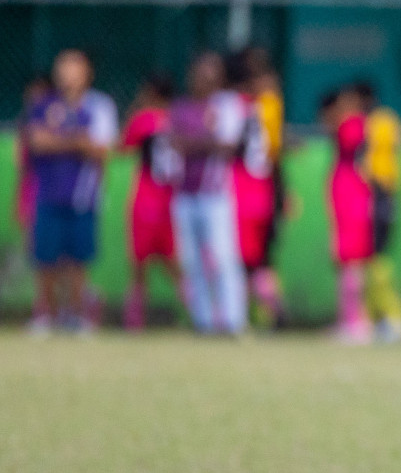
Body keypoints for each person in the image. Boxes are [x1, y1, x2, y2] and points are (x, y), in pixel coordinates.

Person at [23, 50, 117, 335]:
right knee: (46, 258)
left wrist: (63, 139)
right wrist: (77, 140)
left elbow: (101, 149)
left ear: (87, 72)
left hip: (83, 196)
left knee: (78, 258)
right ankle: (46, 315)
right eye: (62, 68)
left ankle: (77, 315)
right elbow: (37, 142)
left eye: (73, 68)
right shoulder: (43, 105)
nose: (67, 74)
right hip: (48, 193)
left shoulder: (99, 106)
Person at [168, 51, 249, 336]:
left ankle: (232, 320)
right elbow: (173, 145)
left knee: (224, 257)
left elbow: (228, 146)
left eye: (211, 71)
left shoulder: (227, 105)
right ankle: (203, 320)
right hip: (184, 193)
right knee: (192, 261)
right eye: (200, 71)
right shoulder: (181, 107)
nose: (206, 77)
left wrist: (192, 142)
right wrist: (205, 140)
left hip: (215, 194)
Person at [229, 48, 287, 328]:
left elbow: (271, 152)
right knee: (259, 259)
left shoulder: (233, 105)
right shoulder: (269, 106)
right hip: (261, 191)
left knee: (244, 260)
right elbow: (274, 153)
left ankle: (249, 315)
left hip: (242, 191)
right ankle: (268, 310)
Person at [120, 74, 181, 330]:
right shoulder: (180, 118)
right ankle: (198, 311)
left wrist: (135, 108)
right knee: (174, 263)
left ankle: (135, 319)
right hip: (174, 201)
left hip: (146, 199)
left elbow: (122, 146)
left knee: (139, 264)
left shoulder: (144, 119)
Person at [357, 81, 401, 342]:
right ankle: (375, 319)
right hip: (386, 193)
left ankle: (397, 318)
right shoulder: (390, 120)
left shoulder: (372, 123)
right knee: (374, 259)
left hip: (379, 193)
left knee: (376, 259)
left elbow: (373, 163)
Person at [322, 87, 375, 343]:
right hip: (349, 196)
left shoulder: (353, 125)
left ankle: (355, 321)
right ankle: (353, 319)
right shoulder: (356, 125)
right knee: (349, 263)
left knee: (352, 262)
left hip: (351, 197)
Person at [15, 74, 51, 327]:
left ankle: (76, 303)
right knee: (37, 253)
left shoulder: (54, 120)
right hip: (31, 192)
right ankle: (44, 309)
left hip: (50, 191)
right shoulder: (25, 125)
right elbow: (21, 166)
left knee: (53, 254)